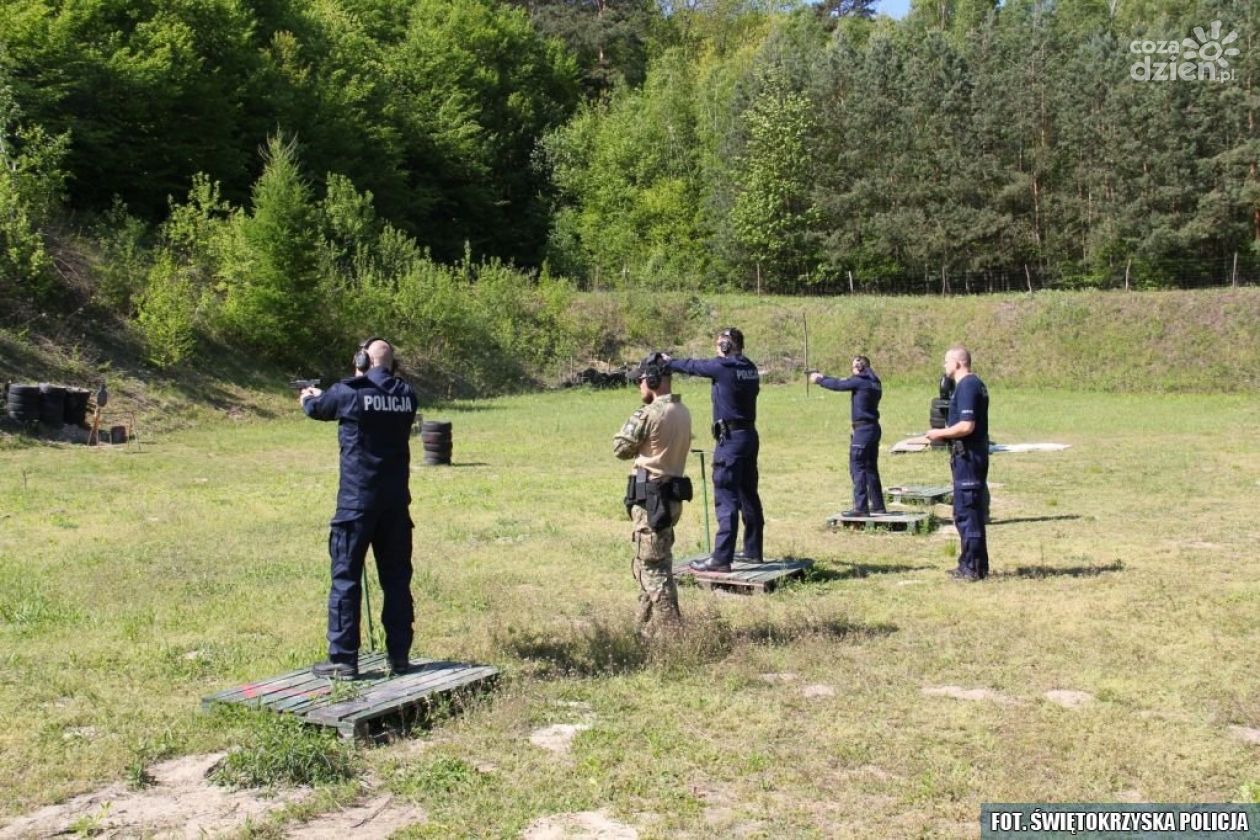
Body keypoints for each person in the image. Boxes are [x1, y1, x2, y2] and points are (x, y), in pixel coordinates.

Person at [299, 337, 419, 678]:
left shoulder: (349, 391)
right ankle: (399, 657)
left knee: (346, 579)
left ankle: (343, 660)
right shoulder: (407, 396)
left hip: (357, 502)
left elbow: (318, 409)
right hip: (395, 503)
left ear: (362, 361)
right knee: (396, 580)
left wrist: (308, 397)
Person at [664, 327, 763, 573]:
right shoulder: (750, 368)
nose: (717, 350)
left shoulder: (723, 367)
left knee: (726, 497)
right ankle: (752, 550)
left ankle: (720, 558)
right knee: (748, 494)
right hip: (749, 436)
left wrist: (669, 362)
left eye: (719, 345)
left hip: (730, 440)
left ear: (727, 346)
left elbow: (693, 366)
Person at [613, 353, 693, 634]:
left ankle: (673, 632)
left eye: (642, 380)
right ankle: (642, 627)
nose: (640, 386)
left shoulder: (650, 413)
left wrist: (636, 417)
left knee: (652, 569)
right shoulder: (682, 410)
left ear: (654, 380)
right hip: (670, 498)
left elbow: (620, 449)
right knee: (656, 563)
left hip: (651, 499)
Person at [925, 346, 990, 581]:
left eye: (946, 362)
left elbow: (966, 426)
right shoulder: (969, 385)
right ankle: (970, 564)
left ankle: (973, 568)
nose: (944, 366)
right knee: (965, 511)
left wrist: (940, 433)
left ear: (958, 363)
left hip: (969, 458)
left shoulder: (968, 386)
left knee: (967, 513)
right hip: (967, 457)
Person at [809, 355, 887, 517]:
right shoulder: (875, 382)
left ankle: (860, 507)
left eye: (853, 367)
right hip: (873, 428)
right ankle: (878, 505)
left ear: (859, 367)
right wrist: (824, 377)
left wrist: (819, 380)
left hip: (863, 430)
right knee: (870, 468)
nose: (852, 371)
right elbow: (844, 381)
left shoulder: (860, 381)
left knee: (857, 467)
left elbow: (839, 384)